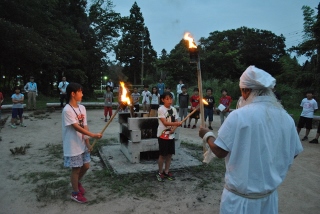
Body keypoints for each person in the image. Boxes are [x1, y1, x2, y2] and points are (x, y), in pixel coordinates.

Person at [199, 65, 303, 214]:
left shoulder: (239, 115)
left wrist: (207, 135)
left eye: (242, 91)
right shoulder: (286, 117)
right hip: (268, 199)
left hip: (239, 202)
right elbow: (293, 152)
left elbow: (220, 151)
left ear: (247, 90)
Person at [62, 82, 102, 203]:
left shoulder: (82, 108)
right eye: (80, 91)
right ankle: (75, 193)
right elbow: (76, 127)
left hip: (82, 143)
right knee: (76, 169)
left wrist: (88, 142)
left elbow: (84, 126)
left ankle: (76, 183)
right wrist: (94, 135)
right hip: (72, 145)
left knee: (86, 166)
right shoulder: (67, 110)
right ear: (73, 94)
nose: (82, 94)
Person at [156, 91, 182, 182]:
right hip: (162, 135)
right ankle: (160, 171)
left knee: (170, 155)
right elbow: (165, 122)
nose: (169, 101)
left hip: (171, 135)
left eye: (171, 99)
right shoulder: (161, 109)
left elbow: (176, 120)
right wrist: (176, 123)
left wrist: (174, 129)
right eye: (167, 99)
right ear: (162, 100)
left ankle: (166, 171)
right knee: (162, 155)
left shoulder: (174, 109)